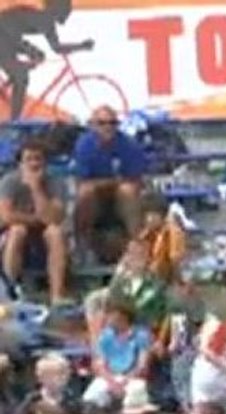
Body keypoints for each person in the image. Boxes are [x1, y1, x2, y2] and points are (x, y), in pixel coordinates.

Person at [72, 105, 147, 261]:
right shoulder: (84, 145)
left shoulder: (129, 145)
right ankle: (82, 247)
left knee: (128, 191)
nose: (108, 127)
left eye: (112, 123)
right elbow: (82, 182)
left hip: (121, 198)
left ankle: (139, 245)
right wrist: (112, 182)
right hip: (96, 199)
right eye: (102, 123)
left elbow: (136, 181)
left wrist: (107, 183)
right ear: (92, 125)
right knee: (86, 192)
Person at [0, 0, 94, 120]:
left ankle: (10, 81)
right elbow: (9, 34)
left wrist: (81, 46)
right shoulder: (41, 19)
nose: (67, 15)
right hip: (3, 38)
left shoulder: (47, 22)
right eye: (66, 11)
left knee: (38, 57)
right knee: (22, 76)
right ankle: (14, 121)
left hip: (8, 37)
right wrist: (30, 52)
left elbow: (57, 48)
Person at [0, 139, 68, 302]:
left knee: (55, 233)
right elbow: (6, 216)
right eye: (29, 159)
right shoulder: (10, 181)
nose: (34, 164)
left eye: (38, 158)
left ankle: (57, 295)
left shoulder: (55, 182)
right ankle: (11, 290)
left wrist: (35, 188)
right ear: (20, 163)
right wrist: (38, 219)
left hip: (44, 235)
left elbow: (55, 218)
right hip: (12, 234)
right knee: (18, 230)